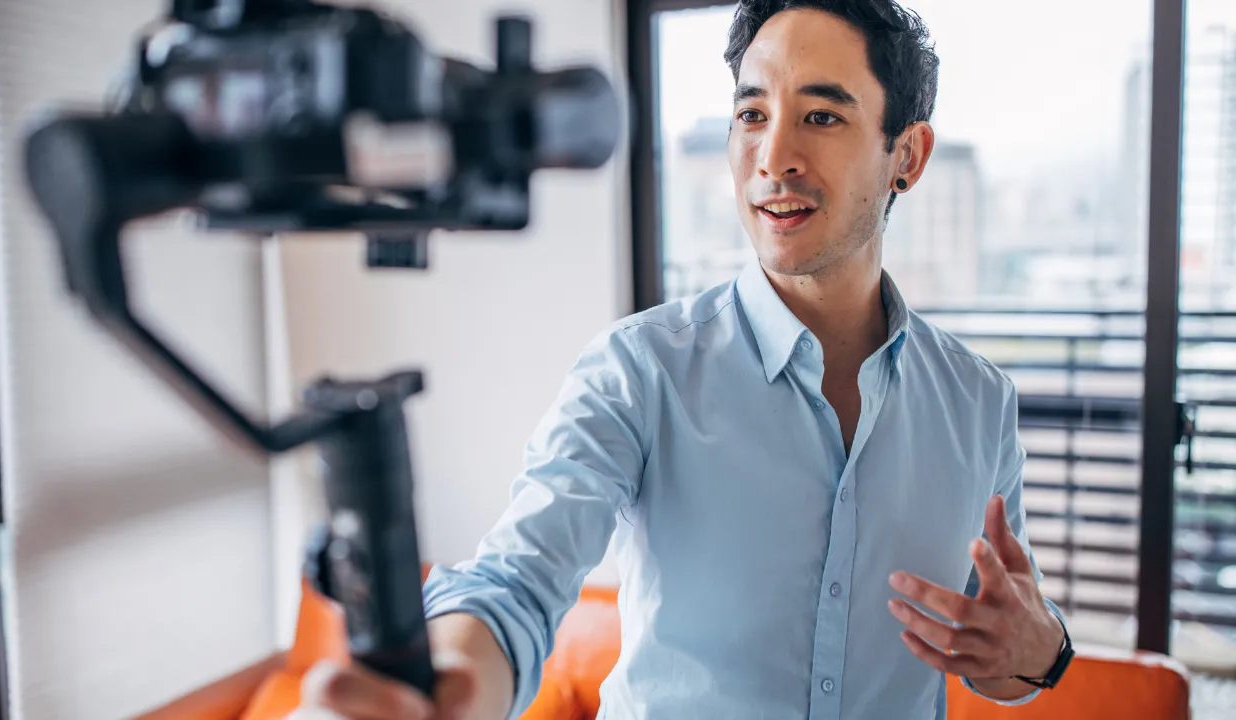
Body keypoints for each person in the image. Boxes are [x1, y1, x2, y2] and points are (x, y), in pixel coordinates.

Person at [298, 1, 1071, 718]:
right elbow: (515, 580)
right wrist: (452, 685)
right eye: (752, 114)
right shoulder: (639, 371)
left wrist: (1042, 656)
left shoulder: (979, 403)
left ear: (907, 153)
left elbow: (993, 641)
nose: (774, 157)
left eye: (822, 116)